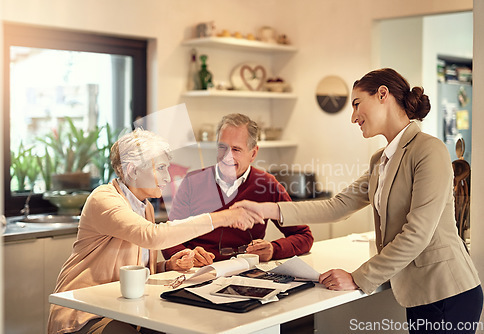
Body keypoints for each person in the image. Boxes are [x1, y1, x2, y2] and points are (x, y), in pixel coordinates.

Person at [232, 69, 483, 333]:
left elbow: (417, 234)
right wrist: (267, 209)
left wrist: (358, 277)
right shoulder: (381, 160)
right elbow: (338, 205)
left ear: (382, 94)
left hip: (448, 292)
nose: (353, 117)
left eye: (356, 104)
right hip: (421, 296)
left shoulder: (429, 150)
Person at [48, 128, 262, 334]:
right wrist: (222, 217)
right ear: (132, 170)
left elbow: (131, 270)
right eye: (160, 168)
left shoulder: (144, 206)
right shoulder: (104, 199)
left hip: (124, 309)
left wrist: (168, 265)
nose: (168, 178)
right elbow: (152, 236)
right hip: (86, 314)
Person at [162, 113, 313, 266]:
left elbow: (304, 236)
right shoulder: (192, 182)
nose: (227, 156)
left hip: (246, 272)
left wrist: (274, 249)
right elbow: (167, 238)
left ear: (253, 153)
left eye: (236, 149)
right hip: (199, 273)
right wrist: (186, 255)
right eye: (222, 147)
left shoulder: (267, 184)